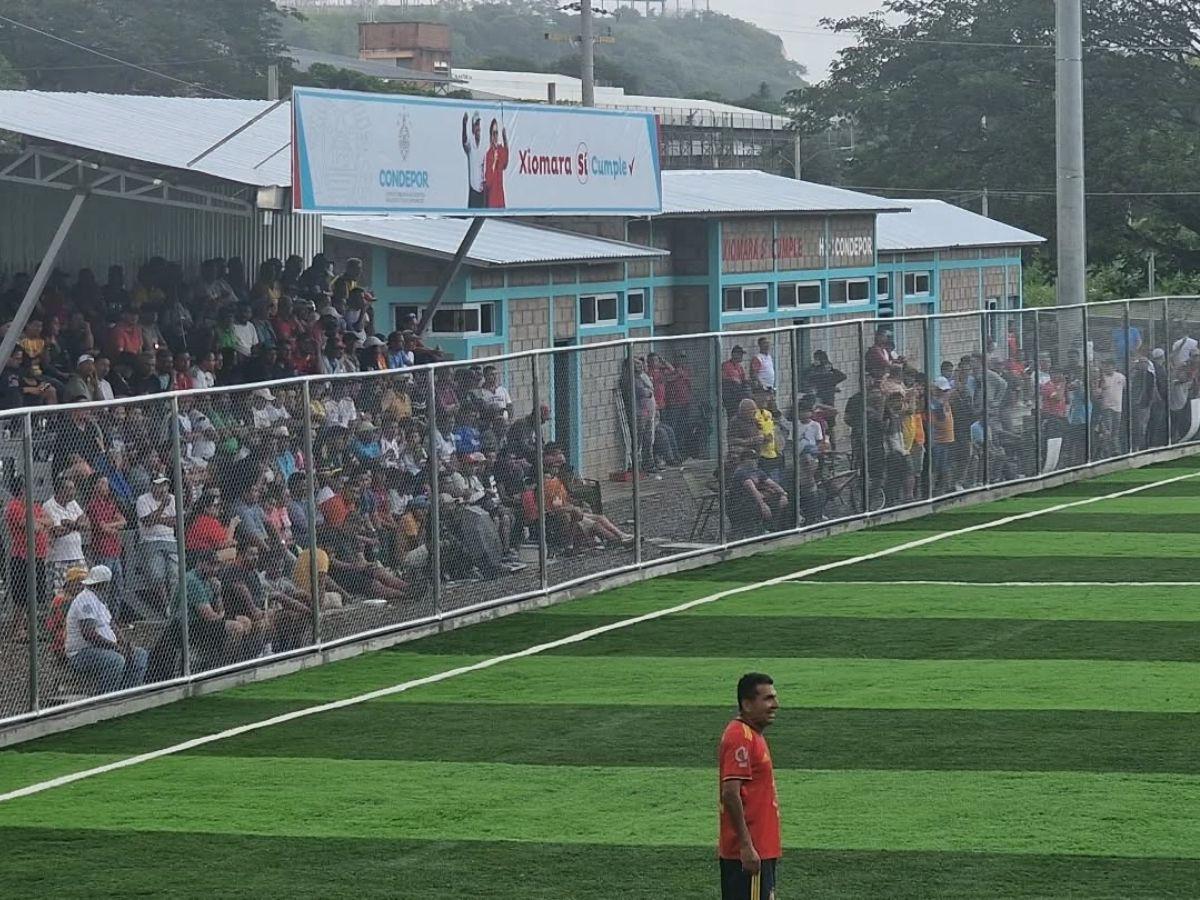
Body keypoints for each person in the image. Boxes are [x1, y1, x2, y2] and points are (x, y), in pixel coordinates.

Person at [719, 672, 782, 900]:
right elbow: (730, 794)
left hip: (760, 848)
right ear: (746, 704)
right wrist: (746, 846)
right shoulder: (740, 736)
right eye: (767, 699)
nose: (775, 704)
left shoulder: (753, 735)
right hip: (749, 853)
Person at [64, 565, 148, 695]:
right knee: (115, 660)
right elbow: (89, 634)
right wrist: (115, 647)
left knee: (139, 654)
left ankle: (128, 694)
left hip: (104, 648)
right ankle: (106, 697)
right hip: (81, 653)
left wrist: (125, 645)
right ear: (104, 584)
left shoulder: (99, 599)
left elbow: (112, 625)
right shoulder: (85, 599)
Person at [462, 111, 487, 209]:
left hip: (482, 192)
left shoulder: (483, 146)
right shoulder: (470, 144)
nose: (478, 128)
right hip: (473, 190)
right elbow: (464, 140)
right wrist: (464, 124)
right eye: (476, 125)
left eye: (479, 124)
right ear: (472, 128)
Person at [484, 117, 509, 209]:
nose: (495, 136)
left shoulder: (500, 150)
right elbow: (488, 182)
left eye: (496, 133)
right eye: (493, 133)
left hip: (500, 196)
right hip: (492, 197)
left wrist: (505, 140)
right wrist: (493, 163)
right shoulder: (489, 154)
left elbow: (505, 163)